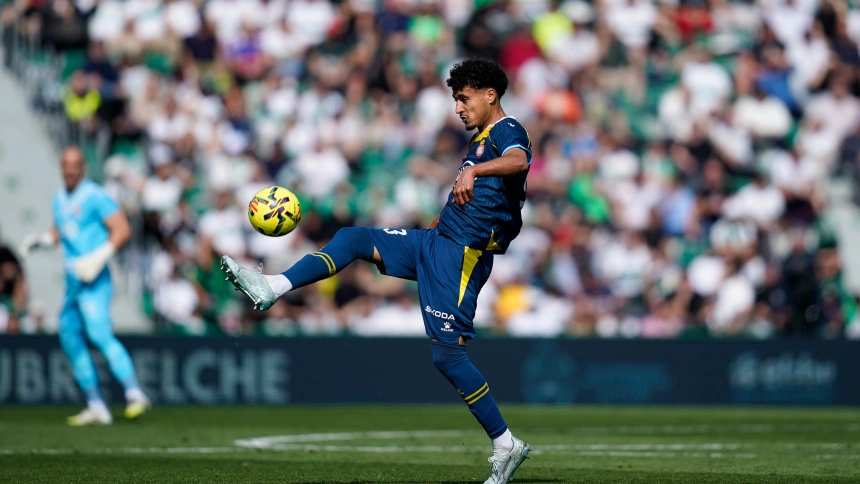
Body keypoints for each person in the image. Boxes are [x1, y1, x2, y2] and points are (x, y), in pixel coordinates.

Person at [222, 58, 531, 484]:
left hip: (461, 256)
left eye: (463, 98)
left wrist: (475, 170)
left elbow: (519, 161)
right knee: (352, 238)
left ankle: (505, 443)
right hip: (435, 242)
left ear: (489, 95)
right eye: (455, 100)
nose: (458, 108)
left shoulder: (507, 129)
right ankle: (272, 285)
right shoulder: (480, 139)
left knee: (447, 354)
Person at [19, 146, 150, 425]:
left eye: (75, 164)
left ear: (83, 168)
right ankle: (95, 404)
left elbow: (122, 230)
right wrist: (41, 240)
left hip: (95, 277)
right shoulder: (59, 198)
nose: (70, 169)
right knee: (69, 337)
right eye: (65, 164)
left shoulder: (95, 196)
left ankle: (134, 392)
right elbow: (61, 231)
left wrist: (98, 257)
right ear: (60, 166)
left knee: (98, 332)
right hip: (73, 280)